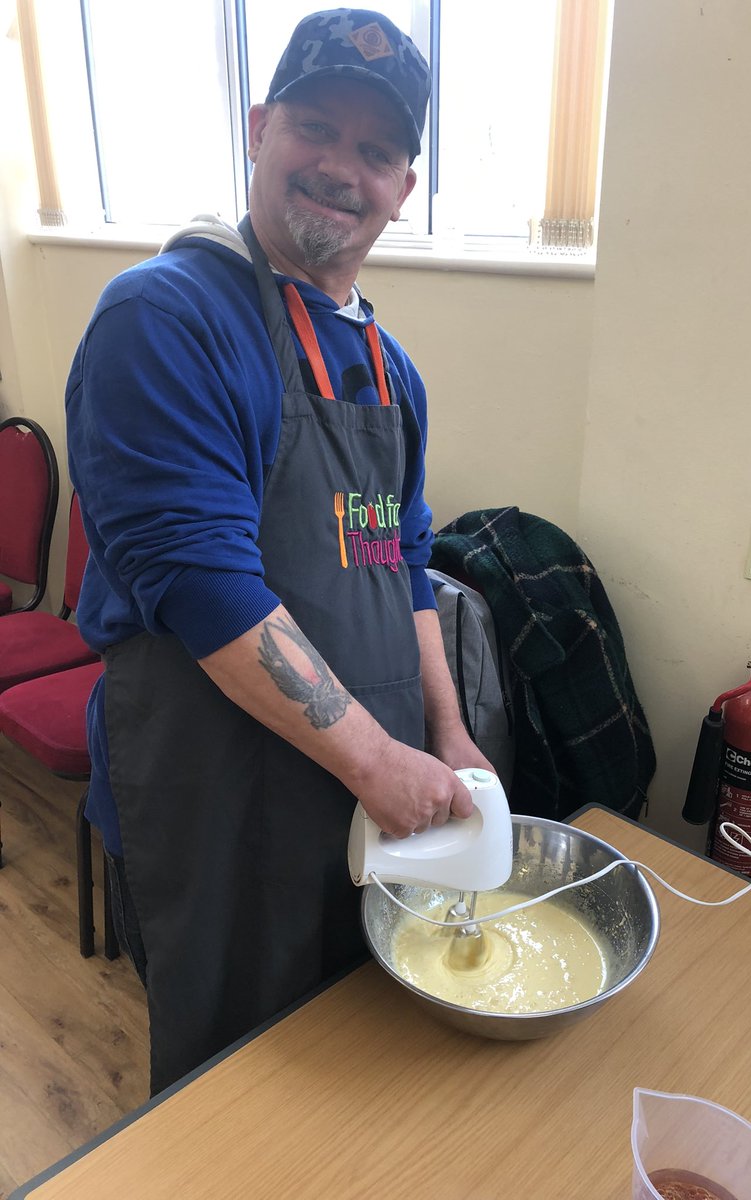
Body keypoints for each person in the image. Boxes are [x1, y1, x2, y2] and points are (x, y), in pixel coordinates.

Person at [66, 7, 492, 1096]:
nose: (341, 168)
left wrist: (447, 735)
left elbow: (403, 562)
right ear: (258, 129)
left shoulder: (393, 369)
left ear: (405, 186)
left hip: (362, 802)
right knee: (243, 1097)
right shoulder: (168, 318)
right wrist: (381, 762)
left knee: (363, 1081)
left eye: (377, 150)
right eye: (315, 127)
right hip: (220, 806)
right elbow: (204, 587)